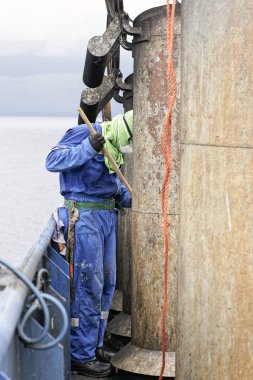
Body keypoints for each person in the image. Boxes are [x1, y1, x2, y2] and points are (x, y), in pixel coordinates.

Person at [45, 110, 133, 378]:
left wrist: (130, 197)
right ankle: (80, 355)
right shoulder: (86, 132)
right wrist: (88, 147)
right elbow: (52, 160)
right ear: (122, 129)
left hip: (107, 216)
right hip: (84, 218)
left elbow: (112, 182)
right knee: (88, 285)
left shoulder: (114, 146)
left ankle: (94, 345)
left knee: (106, 284)